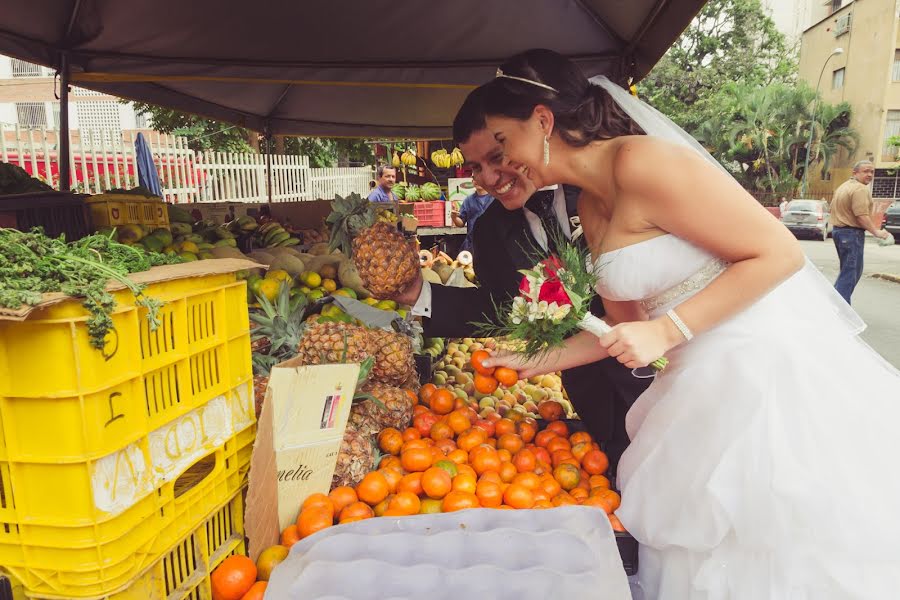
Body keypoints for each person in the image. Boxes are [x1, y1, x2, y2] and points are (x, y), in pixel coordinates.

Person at [470, 49, 900, 599]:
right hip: (688, 388)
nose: (500, 168)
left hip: (757, 374)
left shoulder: (642, 161)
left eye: (503, 145)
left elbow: (778, 253)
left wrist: (668, 330)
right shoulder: (592, 208)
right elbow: (621, 328)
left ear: (543, 121)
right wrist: (539, 361)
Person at [390, 129, 650, 472]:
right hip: (588, 391)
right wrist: (420, 295)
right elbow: (500, 306)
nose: (489, 177)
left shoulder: (598, 192)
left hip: (657, 371)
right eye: (475, 168)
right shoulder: (489, 231)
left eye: (497, 158)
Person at [830, 160, 891, 304]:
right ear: (855, 173)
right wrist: (877, 232)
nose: (869, 175)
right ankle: (840, 312)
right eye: (865, 171)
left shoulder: (844, 186)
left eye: (872, 172)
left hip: (839, 232)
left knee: (847, 272)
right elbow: (861, 216)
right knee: (851, 274)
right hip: (851, 234)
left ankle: (834, 305)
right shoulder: (860, 189)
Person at [452, 184, 494, 252]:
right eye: (474, 178)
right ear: (472, 182)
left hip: (493, 243)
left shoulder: (495, 198)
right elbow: (461, 224)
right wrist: (454, 217)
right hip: (472, 245)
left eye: (479, 177)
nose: (477, 180)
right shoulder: (468, 200)